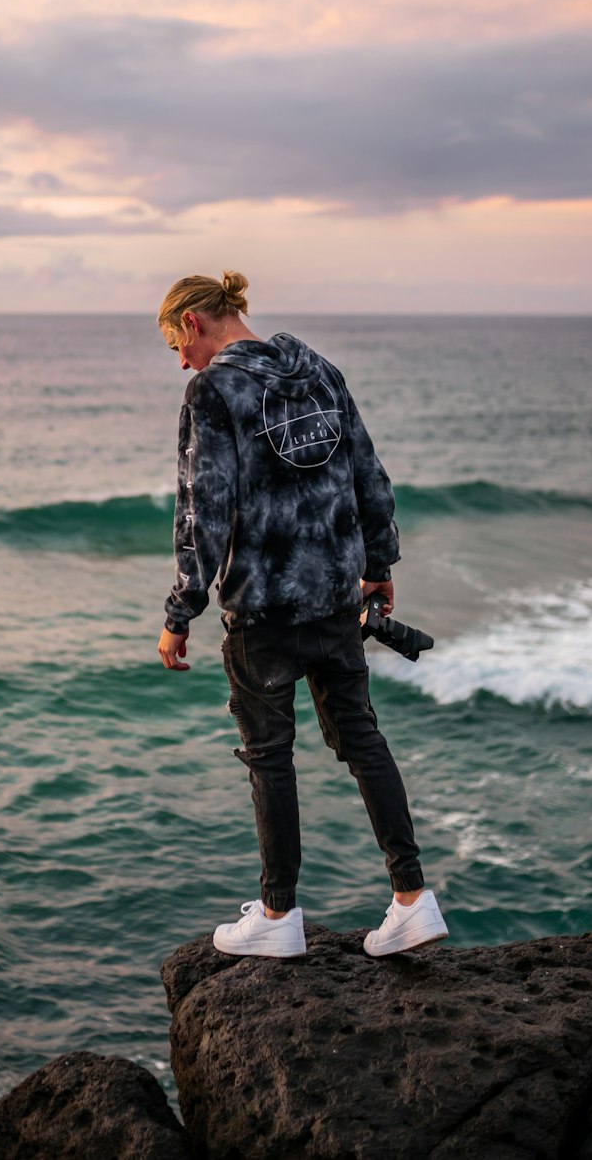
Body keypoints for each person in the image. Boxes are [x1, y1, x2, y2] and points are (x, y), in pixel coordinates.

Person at [155, 270, 448, 959]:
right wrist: (379, 564)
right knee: (362, 740)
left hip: (263, 608)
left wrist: (181, 608)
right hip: (336, 600)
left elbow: (205, 507)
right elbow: (368, 472)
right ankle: (412, 899)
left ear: (194, 324)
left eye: (175, 345)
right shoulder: (317, 369)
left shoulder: (213, 389)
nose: (181, 362)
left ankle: (279, 916)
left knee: (269, 758)